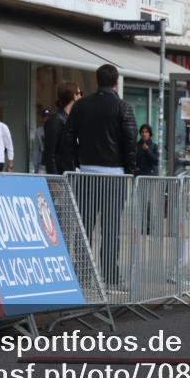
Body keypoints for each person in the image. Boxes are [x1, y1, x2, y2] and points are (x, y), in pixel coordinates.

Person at [65, 65, 137, 288]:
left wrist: (77, 162)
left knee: (84, 226)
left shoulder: (81, 106)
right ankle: (110, 275)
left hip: (86, 174)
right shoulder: (122, 106)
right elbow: (130, 142)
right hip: (114, 176)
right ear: (116, 82)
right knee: (111, 227)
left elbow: (69, 137)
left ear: (97, 81)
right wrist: (131, 170)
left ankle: (84, 273)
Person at [43, 81, 80, 175]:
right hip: (59, 176)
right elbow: (49, 153)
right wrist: (54, 178)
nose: (81, 97)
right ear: (74, 96)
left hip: (69, 173)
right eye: (79, 93)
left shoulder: (70, 118)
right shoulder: (56, 119)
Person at [33, 108, 52, 173]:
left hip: (52, 163)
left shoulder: (54, 129)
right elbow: (36, 150)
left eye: (48, 117)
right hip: (42, 163)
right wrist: (35, 166)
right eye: (44, 117)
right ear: (42, 118)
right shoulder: (38, 131)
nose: (46, 119)